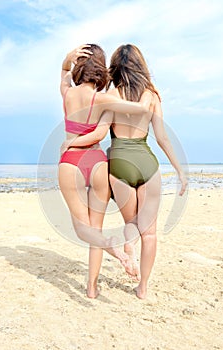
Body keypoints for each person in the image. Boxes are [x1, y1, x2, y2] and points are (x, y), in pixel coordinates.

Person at [66, 44, 187, 299]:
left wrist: (70, 143)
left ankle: (127, 248)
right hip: (147, 162)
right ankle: (142, 288)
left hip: (119, 164)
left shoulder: (112, 94)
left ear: (115, 68)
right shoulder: (151, 96)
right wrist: (179, 170)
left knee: (131, 223)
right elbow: (163, 137)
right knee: (150, 232)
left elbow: (99, 133)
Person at [58, 44, 149, 298]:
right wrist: (147, 93)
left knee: (82, 229)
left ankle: (116, 251)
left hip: (71, 162)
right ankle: (91, 287)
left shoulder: (67, 93)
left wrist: (67, 59)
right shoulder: (103, 99)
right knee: (94, 228)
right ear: (100, 69)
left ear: (79, 67)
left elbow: (63, 72)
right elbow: (140, 109)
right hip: (97, 162)